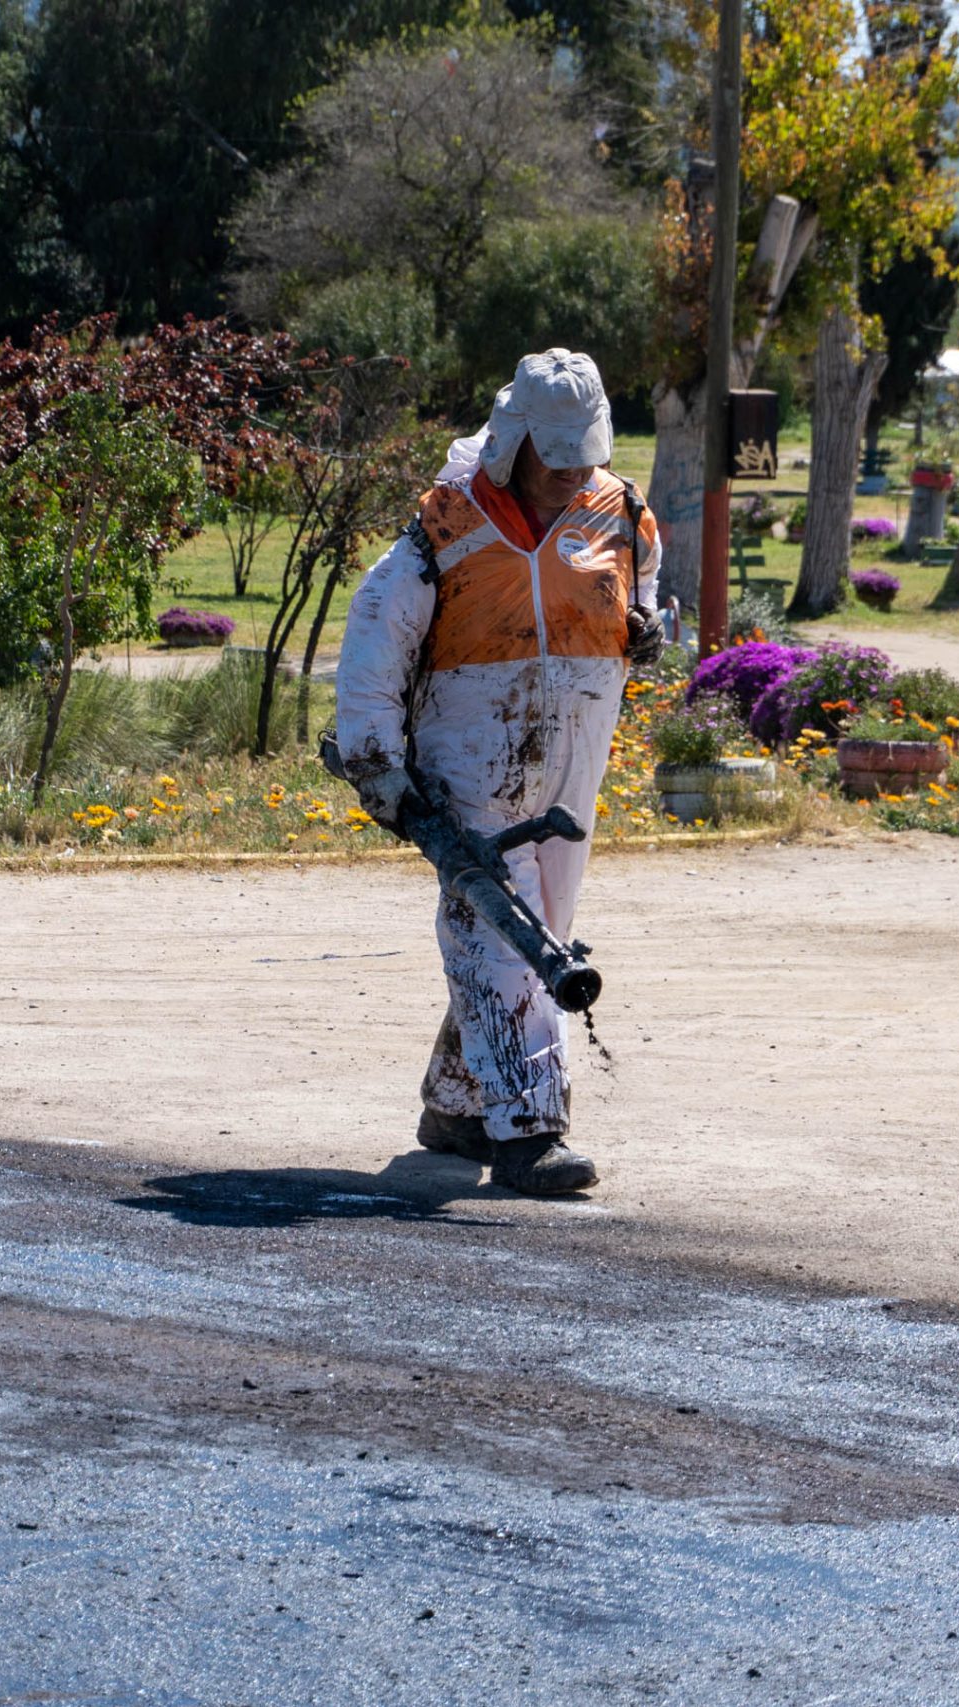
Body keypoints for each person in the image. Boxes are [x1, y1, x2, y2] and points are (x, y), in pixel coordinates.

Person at [334, 350, 661, 1197]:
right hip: (468, 762)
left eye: (583, 457)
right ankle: (529, 1131)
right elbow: (374, 648)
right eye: (556, 461)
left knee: (532, 923)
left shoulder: (622, 512)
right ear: (513, 444)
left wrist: (648, 624)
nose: (571, 476)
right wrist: (379, 767)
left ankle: (455, 1109)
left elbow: (646, 590)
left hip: (572, 763)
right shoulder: (442, 529)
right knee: (504, 929)